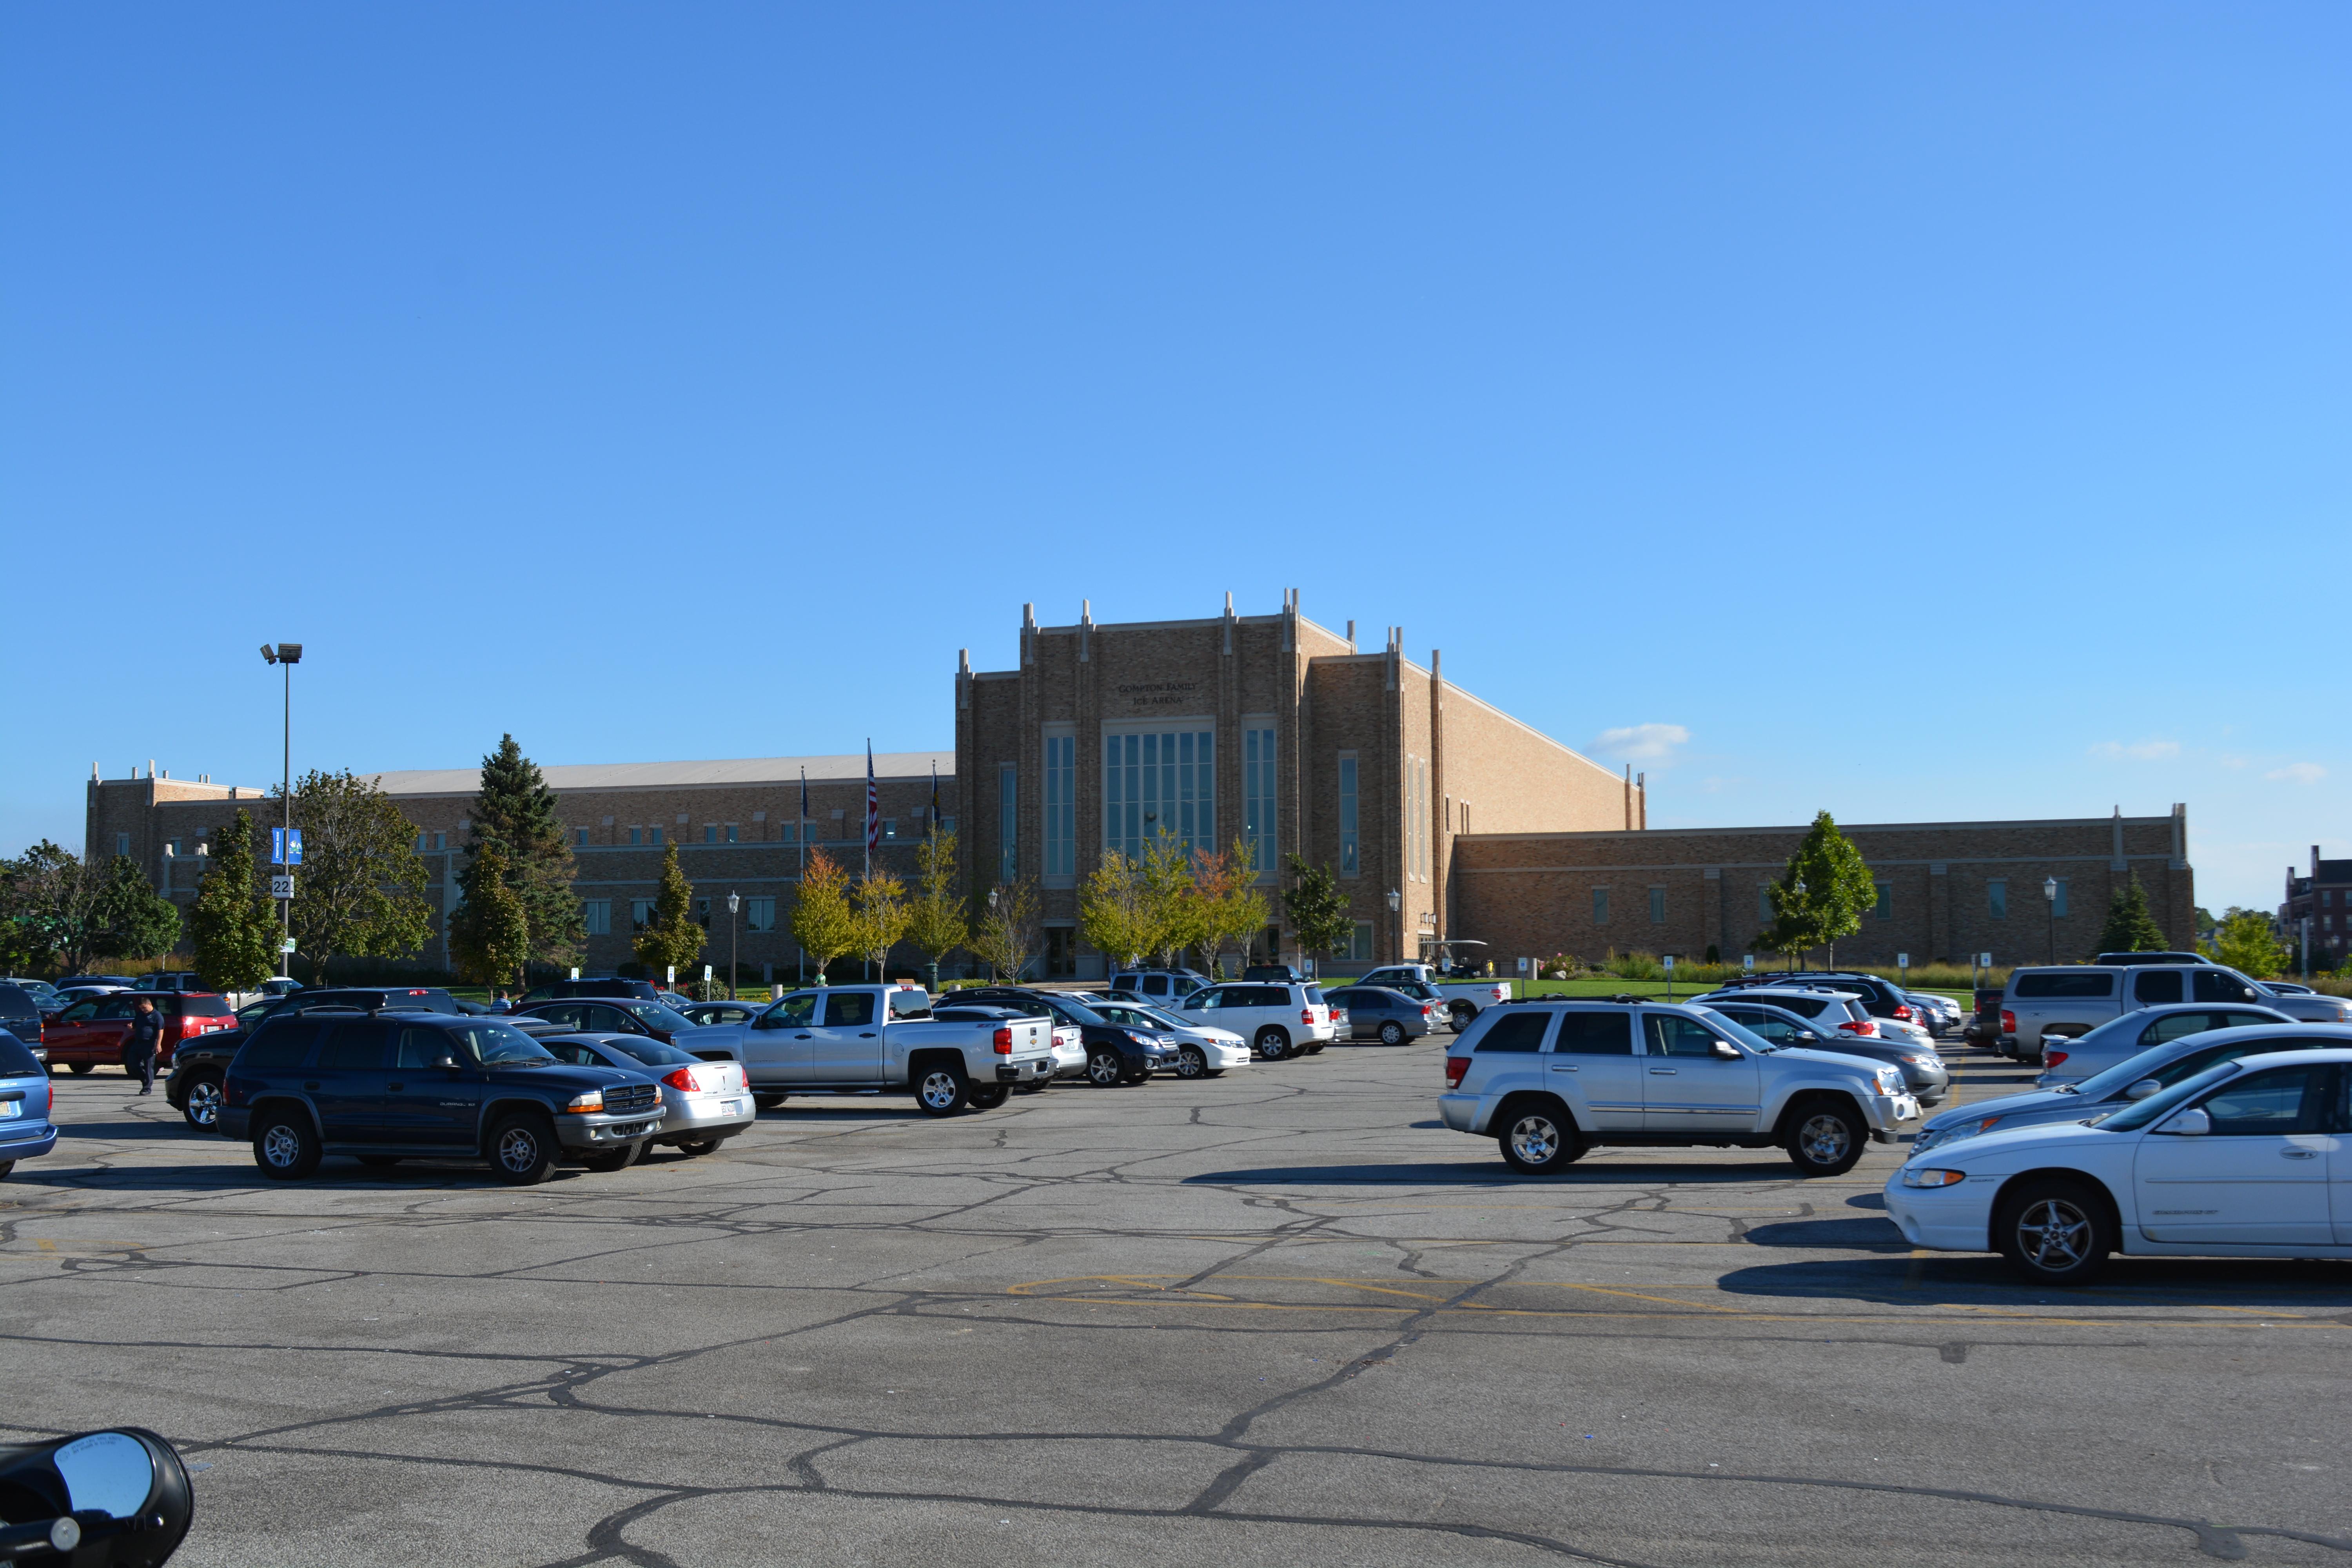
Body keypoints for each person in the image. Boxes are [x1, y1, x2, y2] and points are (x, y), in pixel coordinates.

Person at [125, 997, 166, 1095]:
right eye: (141, 1008)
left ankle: (147, 1088)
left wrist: (158, 1044)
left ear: (150, 1005)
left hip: (150, 1044)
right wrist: (131, 1027)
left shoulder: (157, 1016)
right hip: (138, 1043)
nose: (143, 1010)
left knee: (148, 1066)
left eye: (144, 1008)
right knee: (133, 1064)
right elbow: (135, 1026)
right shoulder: (140, 1015)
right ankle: (145, 1080)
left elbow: (161, 1031)